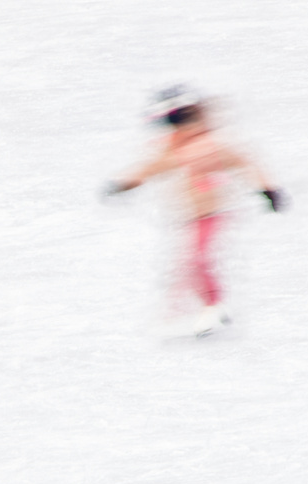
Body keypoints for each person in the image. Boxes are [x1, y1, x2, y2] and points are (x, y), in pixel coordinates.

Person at [104, 87, 284, 336]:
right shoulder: (176, 146)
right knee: (186, 265)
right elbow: (152, 167)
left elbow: (242, 162)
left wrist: (268, 189)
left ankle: (213, 308)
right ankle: (178, 313)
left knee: (196, 261)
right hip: (191, 216)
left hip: (211, 213)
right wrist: (125, 184)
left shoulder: (207, 145)